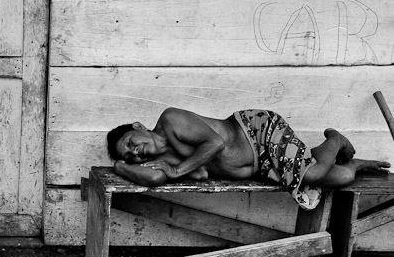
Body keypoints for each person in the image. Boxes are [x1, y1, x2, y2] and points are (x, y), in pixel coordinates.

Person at [106, 107, 390, 210]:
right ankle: (353, 163)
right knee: (339, 177)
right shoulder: (162, 161)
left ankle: (335, 140)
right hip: (260, 165)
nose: (135, 152)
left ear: (139, 127)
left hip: (259, 132)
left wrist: (179, 170)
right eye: (130, 155)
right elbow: (156, 178)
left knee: (313, 176)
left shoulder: (171, 120)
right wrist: (120, 167)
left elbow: (215, 142)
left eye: (131, 143)